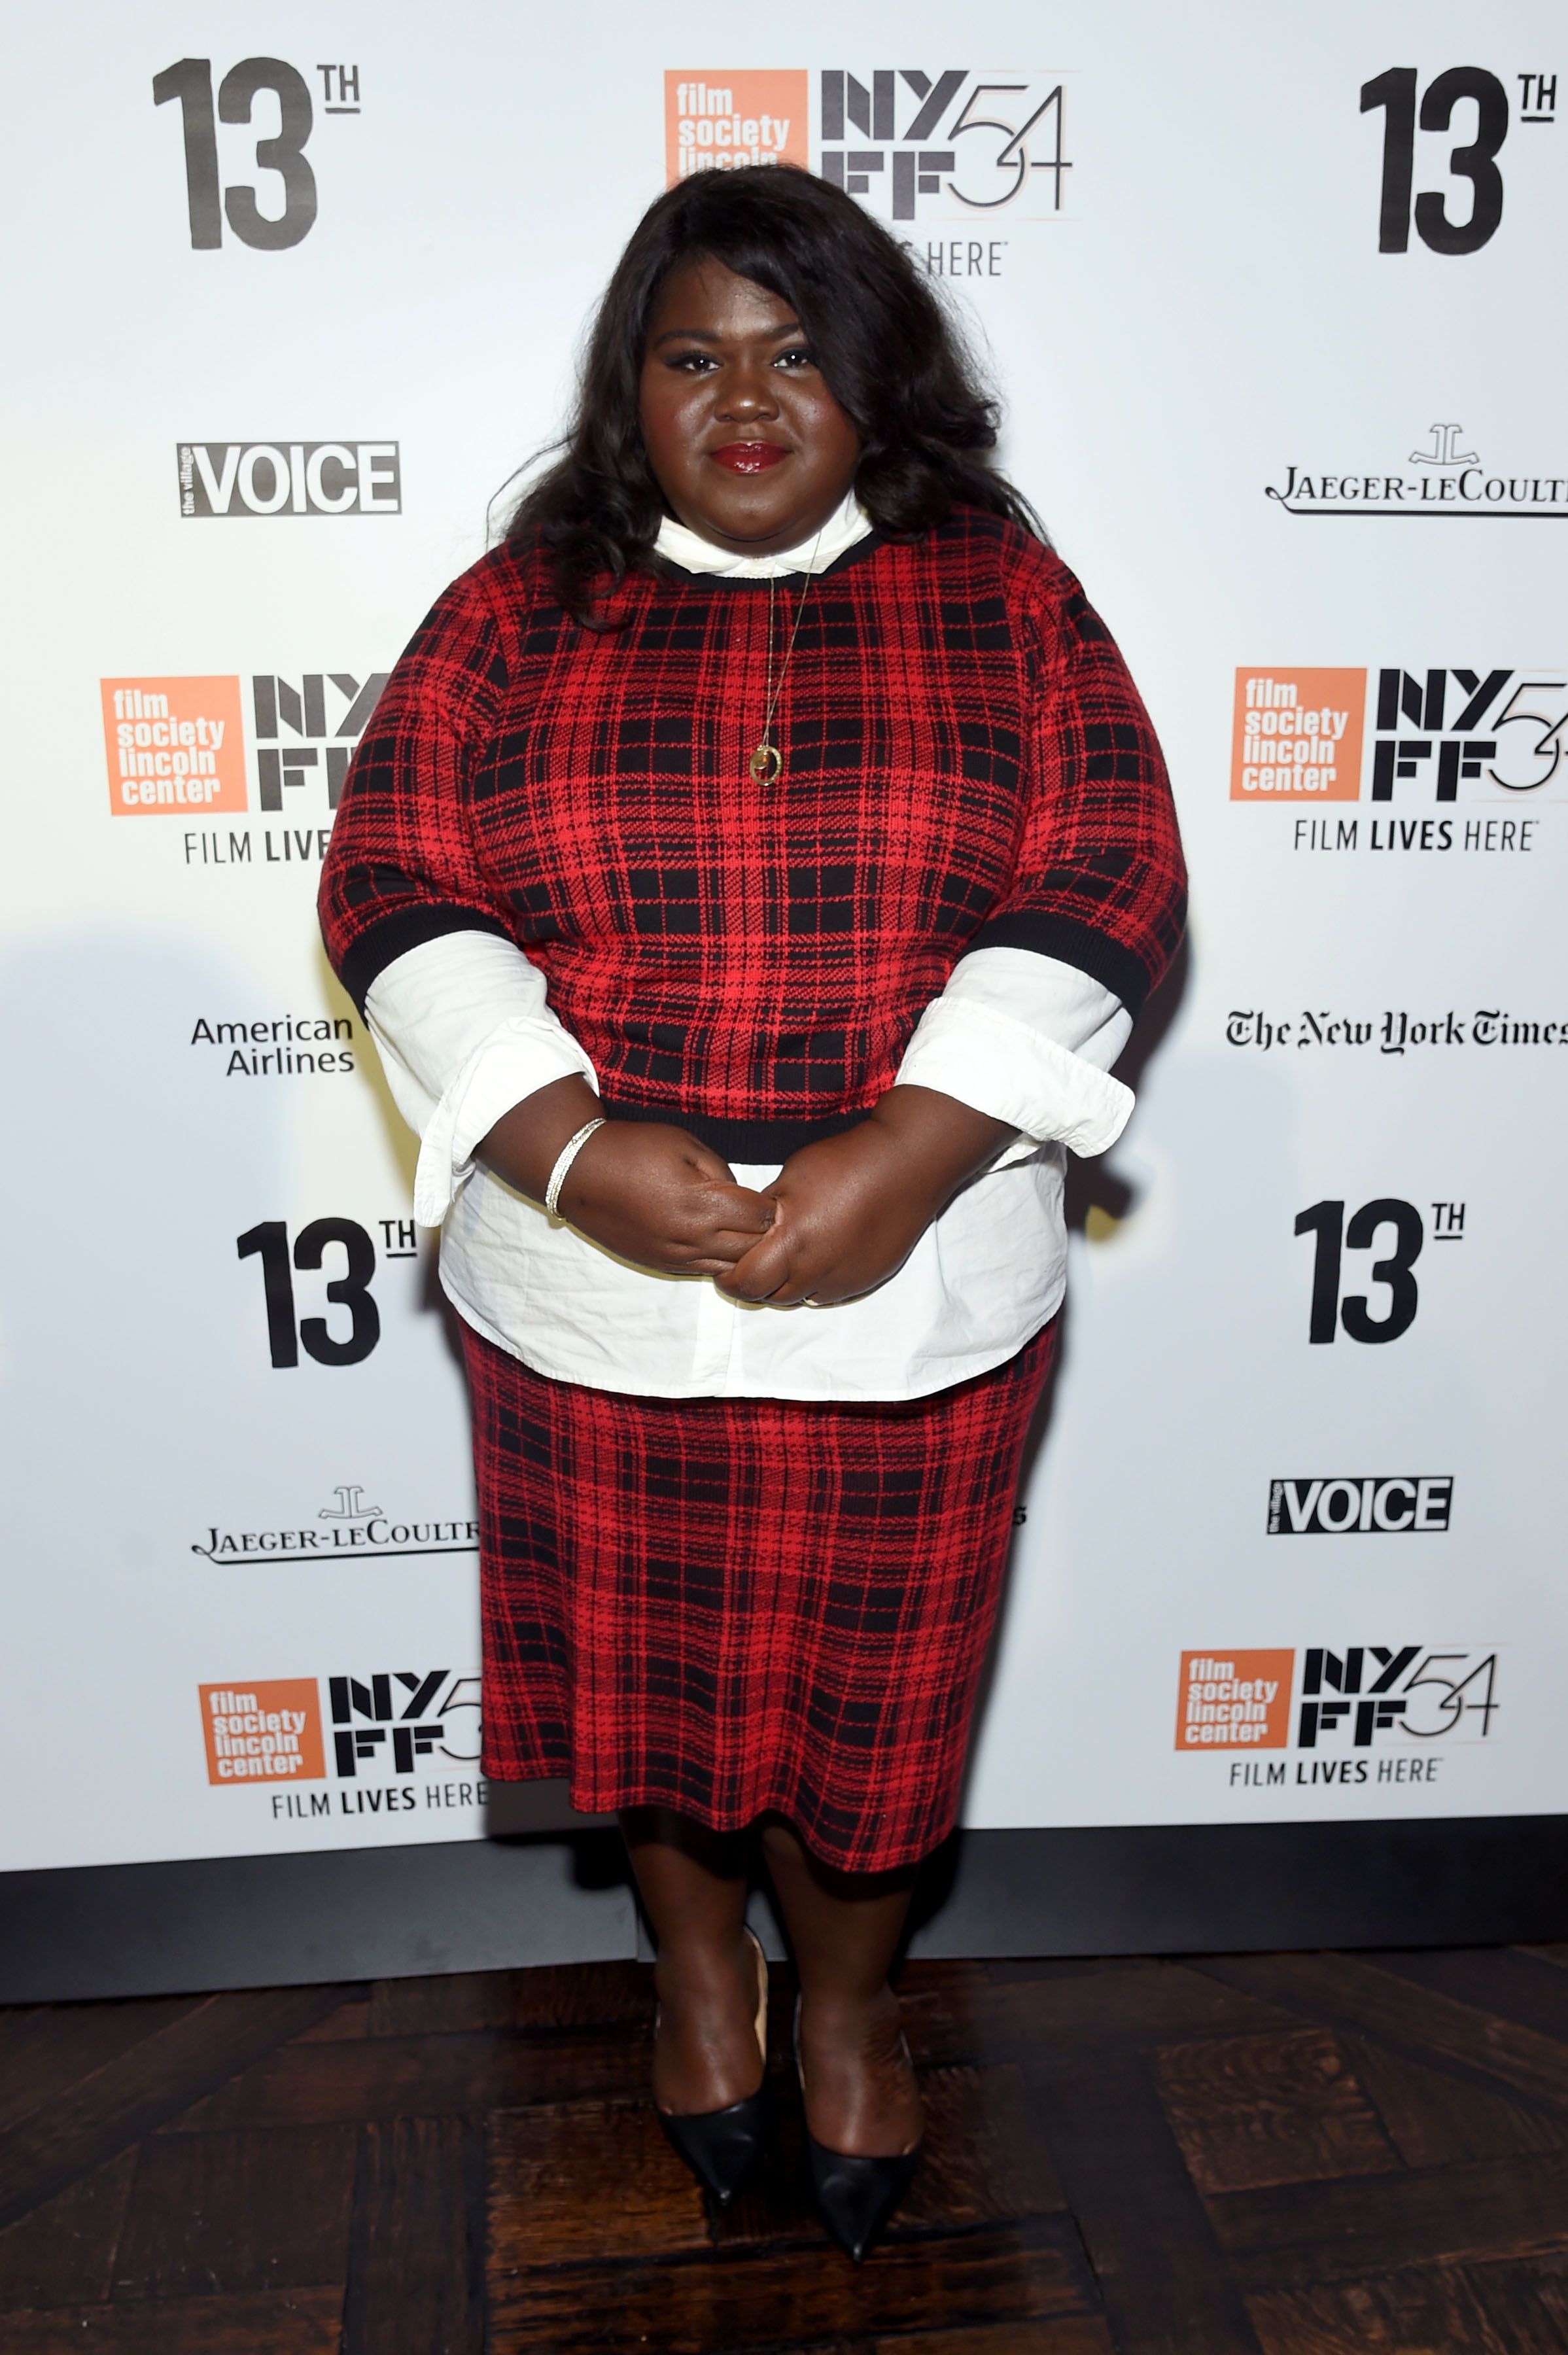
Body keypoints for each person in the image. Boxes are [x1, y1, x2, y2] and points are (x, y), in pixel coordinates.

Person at [319, 163, 1184, 2261]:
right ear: (634, 387)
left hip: (918, 1290)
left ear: (875, 376)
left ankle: (859, 2013)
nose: (746, 399)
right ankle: (701, 1984)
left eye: (796, 352)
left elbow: (1108, 875)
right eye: (694, 354)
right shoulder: (512, 610)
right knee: (652, 1694)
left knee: (880, 1707)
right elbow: (395, 881)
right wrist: (560, 1136)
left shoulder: (1006, 597)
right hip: (594, 1290)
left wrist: (906, 1152)